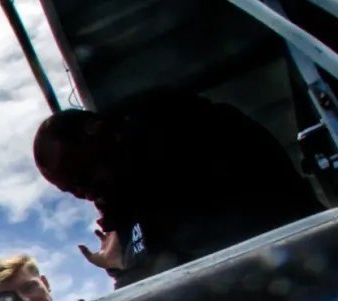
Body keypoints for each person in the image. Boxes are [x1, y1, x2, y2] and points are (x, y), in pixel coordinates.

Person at [33, 94, 324, 289]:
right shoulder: (130, 201)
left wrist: (127, 261)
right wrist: (121, 263)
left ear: (98, 131)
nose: (85, 192)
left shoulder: (187, 138)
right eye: (72, 190)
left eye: (81, 174)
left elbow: (171, 278)